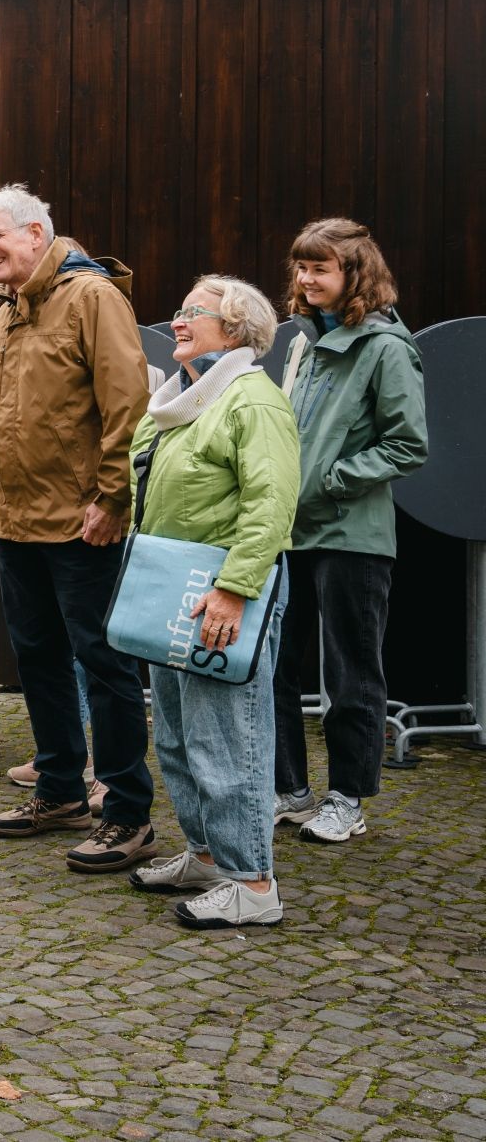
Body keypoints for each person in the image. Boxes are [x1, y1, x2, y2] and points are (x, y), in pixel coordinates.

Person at [0, 184, 157, 873]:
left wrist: (113, 498)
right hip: (16, 521)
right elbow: (0, 417)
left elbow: (127, 403)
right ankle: (59, 792)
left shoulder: (92, 296)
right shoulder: (9, 311)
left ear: (35, 233)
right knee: (39, 662)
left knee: (104, 666)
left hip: (83, 524)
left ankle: (128, 814)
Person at [125, 277, 299, 928]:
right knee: (177, 736)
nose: (176, 321)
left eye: (192, 312)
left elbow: (272, 502)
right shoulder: (180, 399)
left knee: (229, 740)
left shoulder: (252, 399)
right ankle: (205, 855)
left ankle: (252, 883)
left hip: (222, 591)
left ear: (233, 329)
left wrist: (234, 588)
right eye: (178, 310)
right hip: (176, 585)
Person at [272, 220, 428, 845]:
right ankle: (290, 790)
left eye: (320, 269)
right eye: (302, 267)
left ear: (355, 274)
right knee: (275, 667)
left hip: (351, 536)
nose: (306, 279)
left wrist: (332, 480)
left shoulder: (387, 347)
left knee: (351, 675)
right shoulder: (303, 342)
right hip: (288, 532)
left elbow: (408, 444)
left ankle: (347, 799)